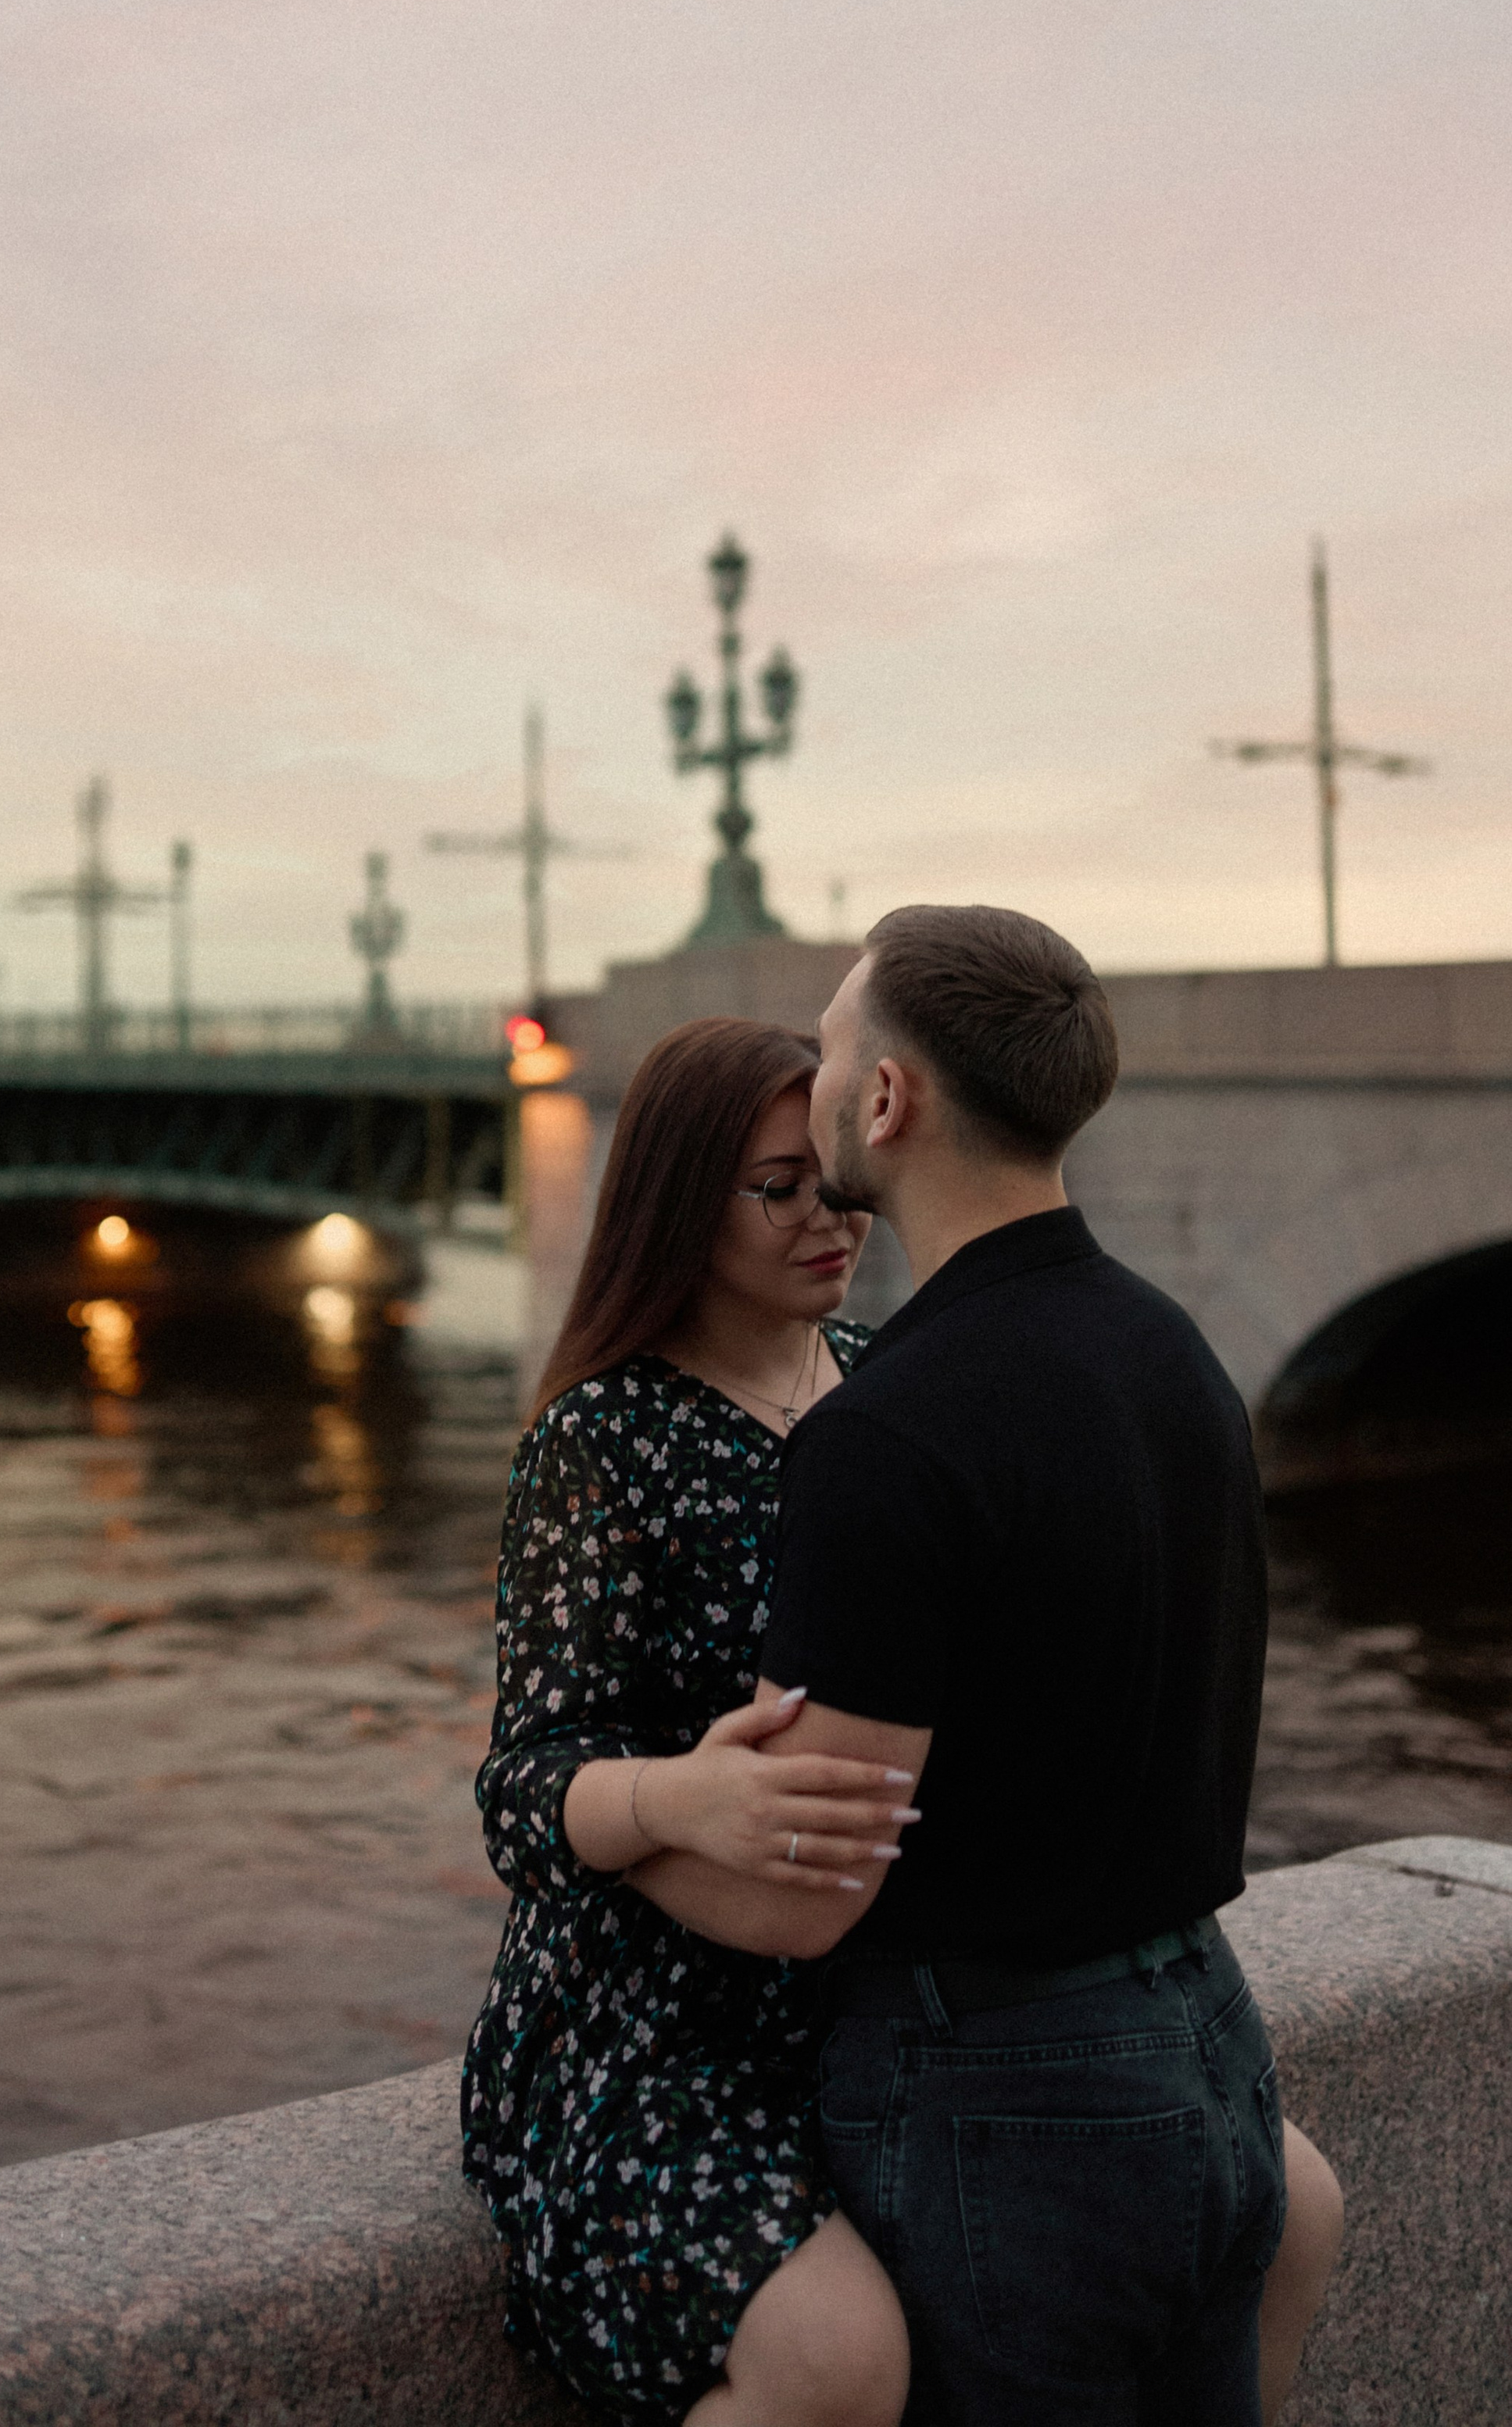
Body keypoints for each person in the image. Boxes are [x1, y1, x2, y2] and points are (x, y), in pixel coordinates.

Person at [463, 1010, 1340, 2427]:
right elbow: (520, 1782)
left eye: (828, 1175)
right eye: (776, 1188)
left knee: (1282, 2203)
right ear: (683, 1203)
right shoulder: (601, 1439)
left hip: (885, 2000)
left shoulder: (892, 1379)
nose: (829, 1217)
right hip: (654, 2035)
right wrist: (676, 1797)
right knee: (838, 2363)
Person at [731, 903, 1325, 2420]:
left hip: (1008, 2089)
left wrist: (619, 1808)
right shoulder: (1171, 1355)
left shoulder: (887, 1433)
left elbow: (811, 1892)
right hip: (1206, 2042)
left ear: (885, 1100)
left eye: (831, 1045)